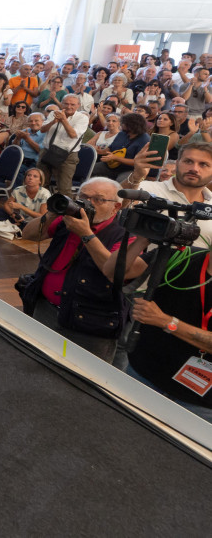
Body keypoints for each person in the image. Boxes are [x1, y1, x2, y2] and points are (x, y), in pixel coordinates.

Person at [110, 142, 212, 420]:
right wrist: (136, 175)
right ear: (177, 163)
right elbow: (117, 209)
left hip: (191, 302)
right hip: (139, 287)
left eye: (204, 164)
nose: (194, 168)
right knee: (126, 350)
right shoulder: (152, 191)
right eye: (189, 161)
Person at [19, 177, 133, 362]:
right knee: (34, 360)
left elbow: (114, 270)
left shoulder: (124, 233)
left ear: (116, 207)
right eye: (84, 197)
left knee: (84, 375)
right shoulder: (68, 220)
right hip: (46, 309)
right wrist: (53, 213)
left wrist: (86, 234)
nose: (88, 203)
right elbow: (28, 234)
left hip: (91, 322)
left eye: (99, 199)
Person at [92, 112, 149, 181]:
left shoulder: (145, 140)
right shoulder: (122, 134)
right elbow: (111, 149)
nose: (121, 125)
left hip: (129, 169)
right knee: (89, 169)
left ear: (132, 125)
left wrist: (116, 158)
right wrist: (100, 151)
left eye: (123, 123)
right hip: (112, 165)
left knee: (121, 181)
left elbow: (137, 162)